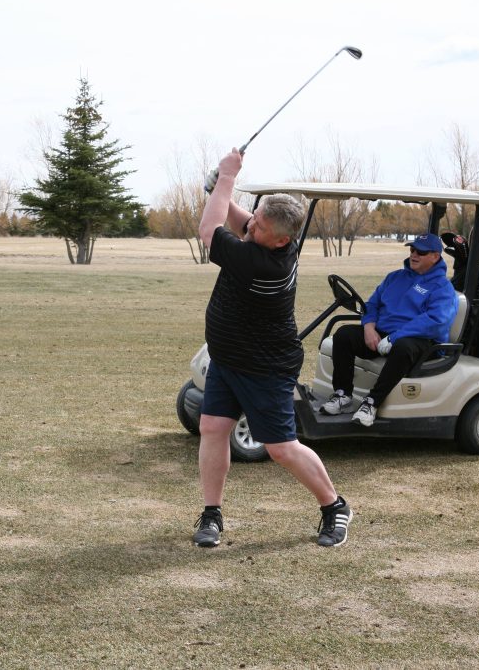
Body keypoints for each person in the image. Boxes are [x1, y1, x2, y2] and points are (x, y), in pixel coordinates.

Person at [192, 148, 352, 549]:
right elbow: (240, 218)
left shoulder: (261, 263)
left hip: (264, 366)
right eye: (255, 217)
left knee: (281, 447)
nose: (250, 226)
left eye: (258, 226)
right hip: (228, 357)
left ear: (281, 240)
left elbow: (208, 231)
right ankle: (212, 513)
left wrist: (227, 177)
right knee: (212, 427)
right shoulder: (270, 239)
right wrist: (220, 191)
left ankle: (335, 506)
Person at [321, 232, 458, 426]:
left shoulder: (442, 288)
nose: (414, 255)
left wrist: (395, 337)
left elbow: (435, 321)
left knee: (403, 347)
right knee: (344, 335)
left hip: (420, 340)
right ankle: (343, 395)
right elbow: (372, 305)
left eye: (421, 252)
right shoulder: (395, 278)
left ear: (435, 256)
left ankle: (372, 403)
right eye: (412, 250)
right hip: (384, 335)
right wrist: (369, 327)